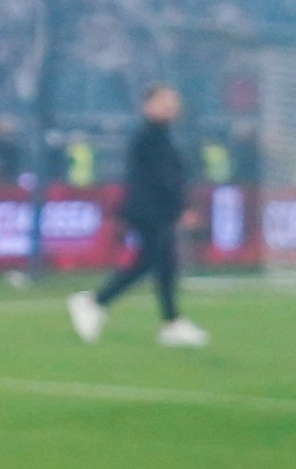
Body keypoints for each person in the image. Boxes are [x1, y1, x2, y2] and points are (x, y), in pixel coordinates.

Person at [70, 82, 205, 346]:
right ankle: (94, 303)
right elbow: (161, 178)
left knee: (160, 263)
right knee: (153, 262)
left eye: (173, 103)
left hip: (155, 210)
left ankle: (170, 322)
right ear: (148, 105)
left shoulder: (159, 136)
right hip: (148, 211)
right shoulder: (148, 137)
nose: (172, 107)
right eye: (165, 102)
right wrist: (180, 208)